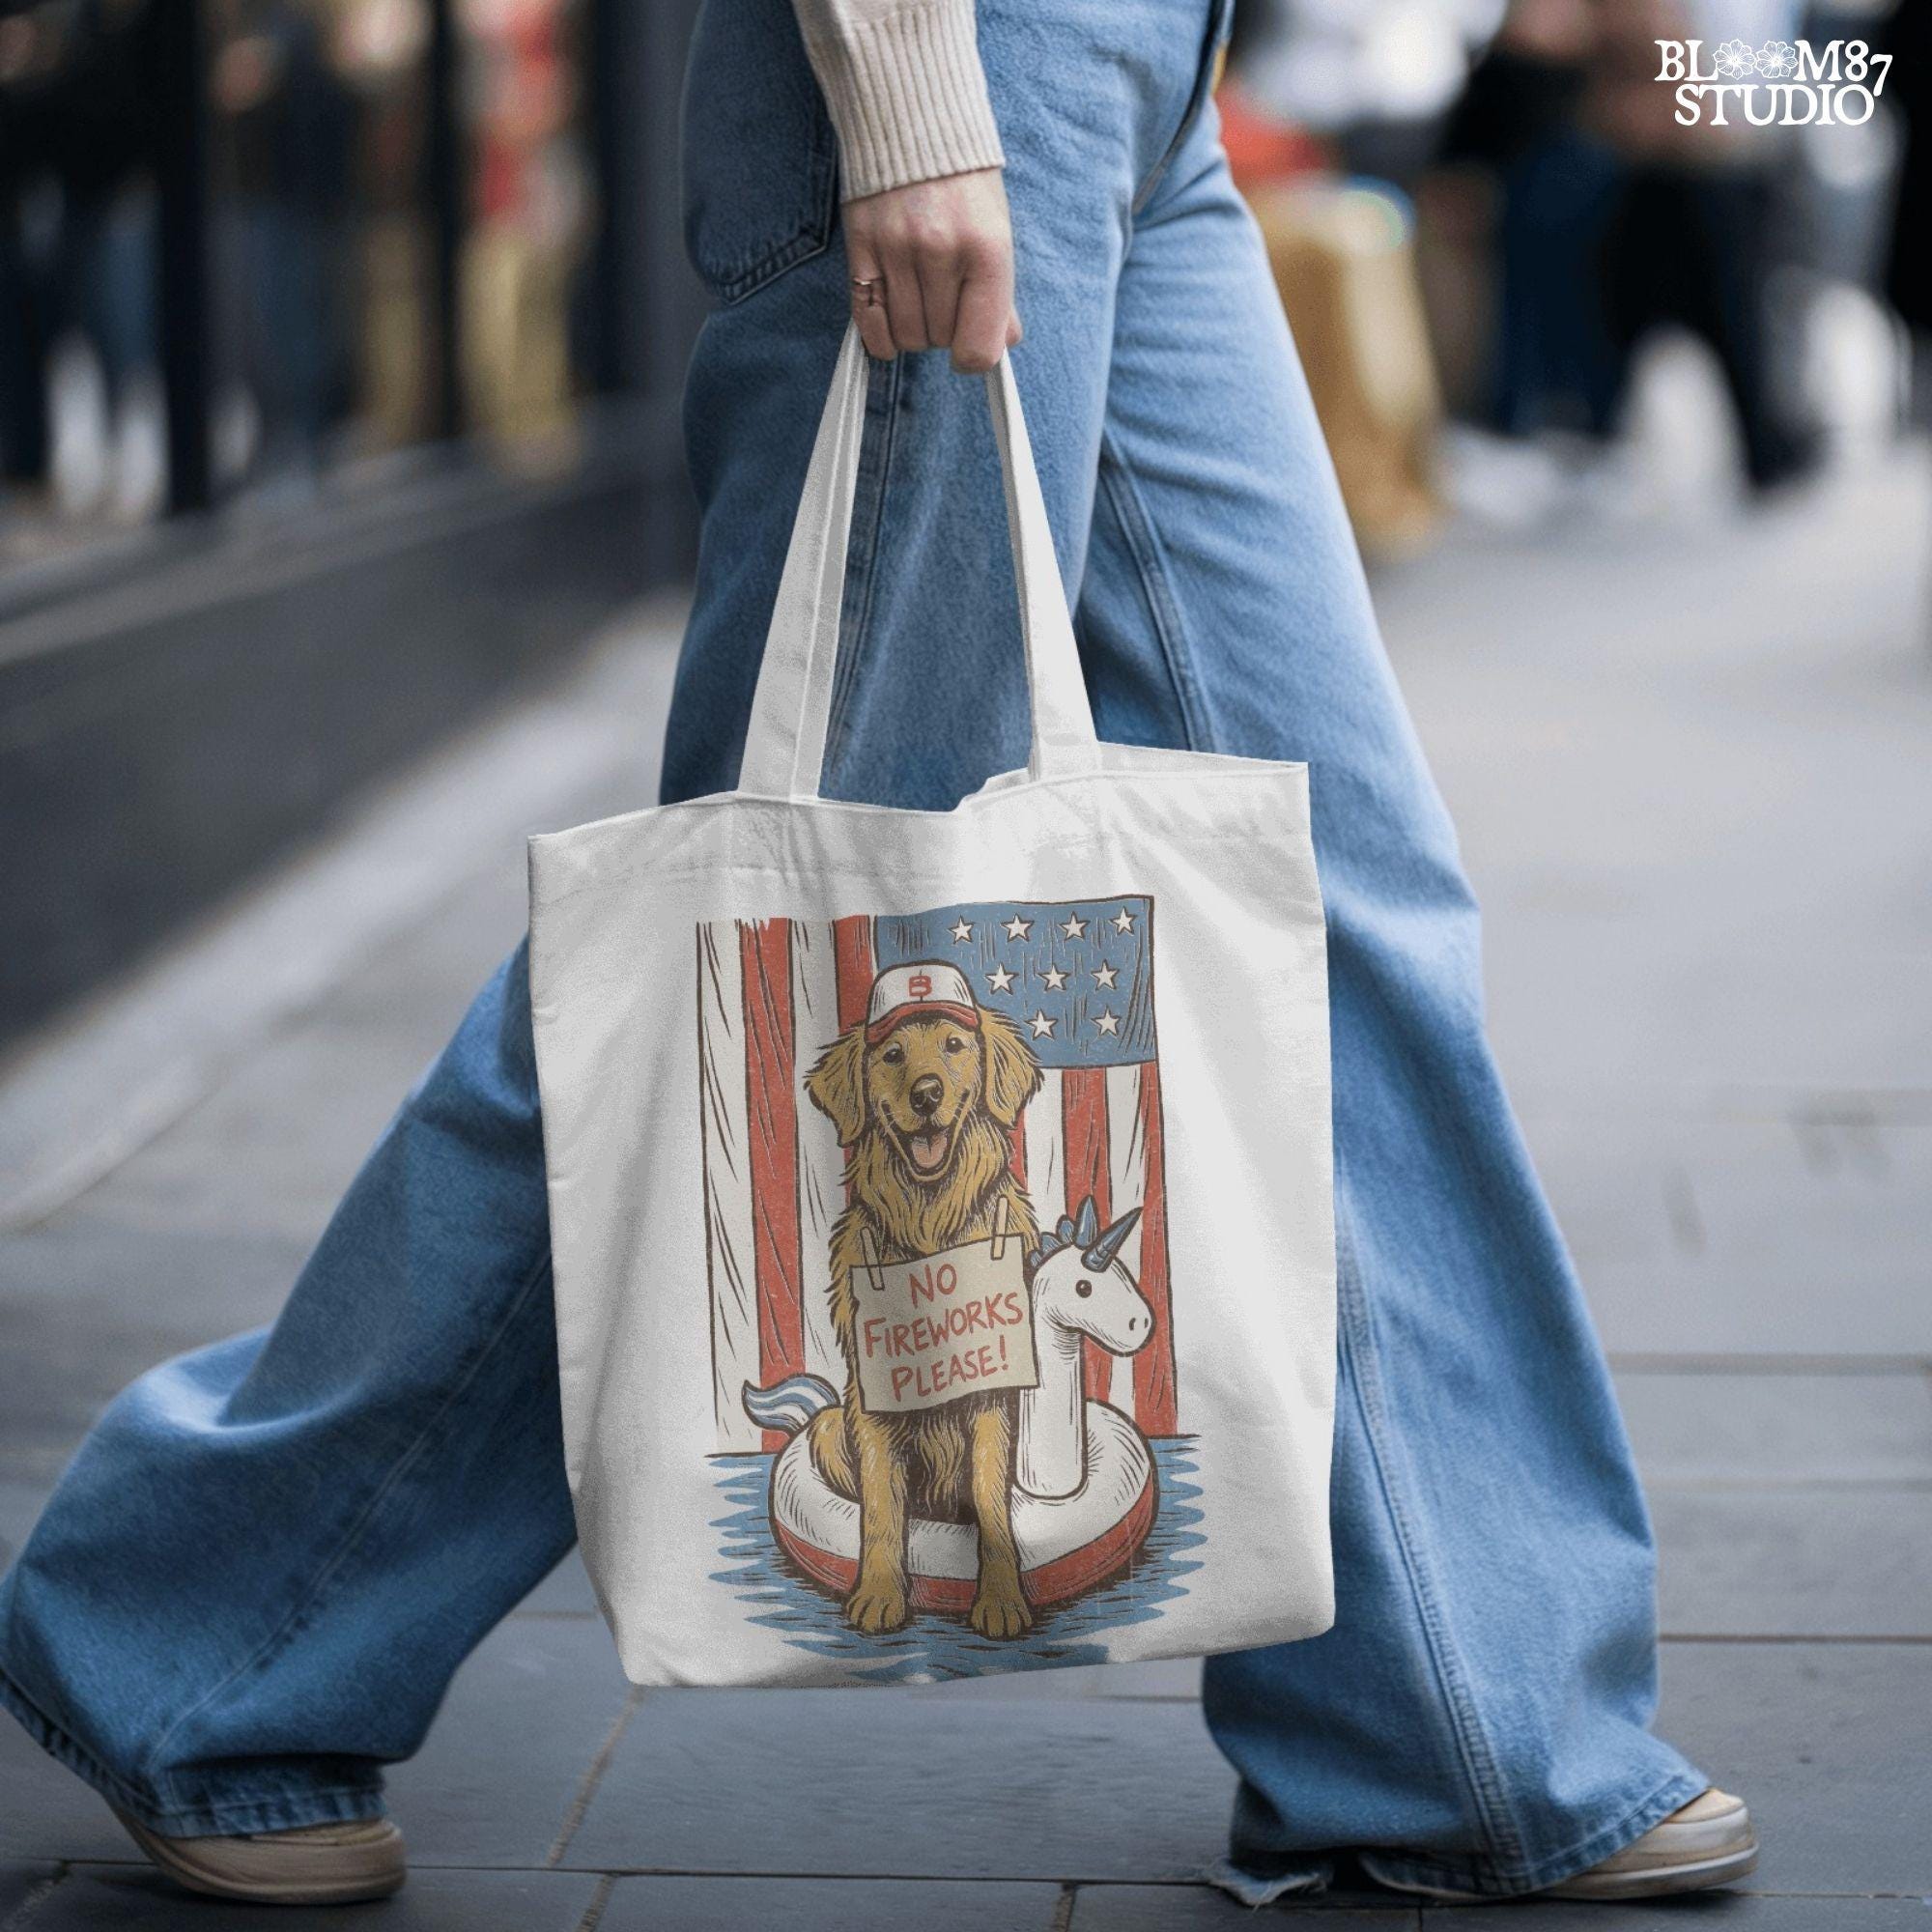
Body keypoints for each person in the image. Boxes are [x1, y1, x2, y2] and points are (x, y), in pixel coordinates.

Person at [0, 0, 1758, 1907]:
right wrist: (911, 89)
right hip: (970, 60)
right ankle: (197, 1626)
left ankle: (1464, 1723)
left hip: (1147, 86)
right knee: (756, 966)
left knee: (1335, 879)